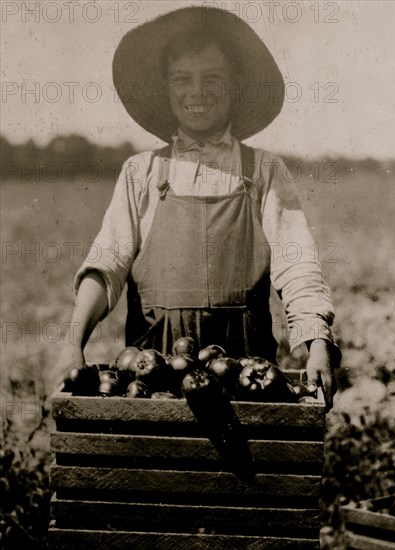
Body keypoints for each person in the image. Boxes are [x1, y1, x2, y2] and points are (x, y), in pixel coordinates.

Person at [56, 6, 340, 407]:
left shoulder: (263, 170)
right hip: (155, 373)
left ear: (235, 85)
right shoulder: (142, 172)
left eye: (212, 78)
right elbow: (107, 265)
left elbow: (298, 265)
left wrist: (317, 341)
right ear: (166, 87)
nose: (197, 92)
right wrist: (73, 343)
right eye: (182, 79)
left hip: (245, 372)